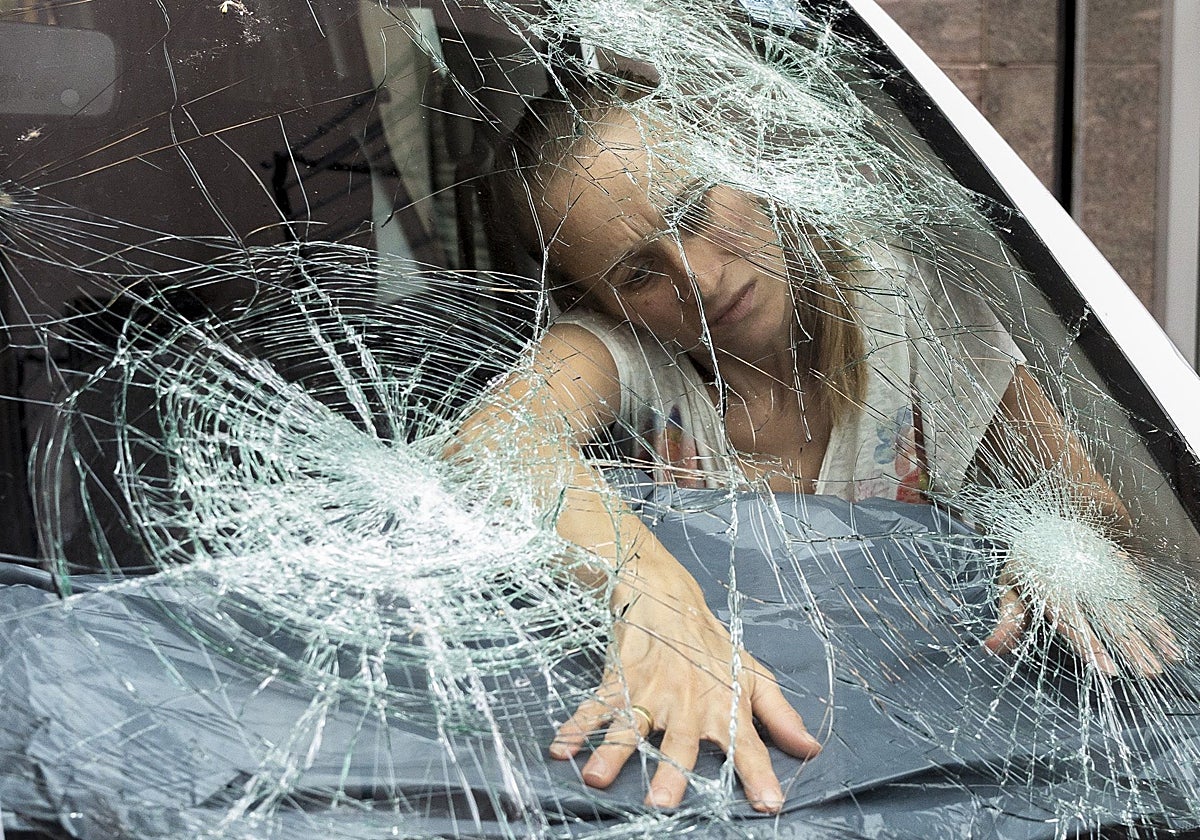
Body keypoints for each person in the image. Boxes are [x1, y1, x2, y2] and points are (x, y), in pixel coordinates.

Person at [460, 86, 1178, 815]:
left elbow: (1116, 521)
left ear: (745, 167)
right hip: (723, 785)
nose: (699, 279)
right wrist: (652, 599)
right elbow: (488, 449)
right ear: (601, 302)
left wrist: (1049, 543)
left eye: (695, 211)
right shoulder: (629, 358)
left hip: (947, 767)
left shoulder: (916, 306)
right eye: (639, 273)